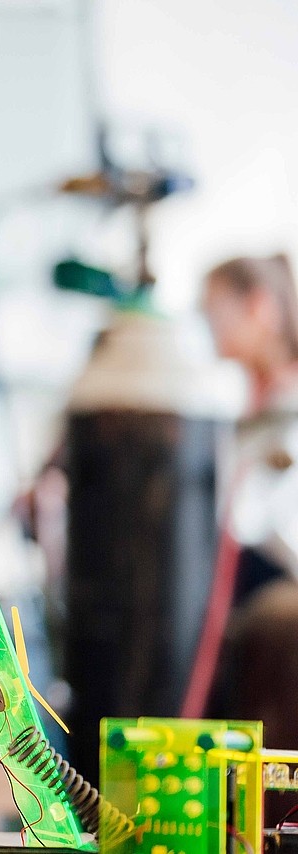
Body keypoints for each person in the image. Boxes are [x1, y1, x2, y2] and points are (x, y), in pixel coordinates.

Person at [199, 253, 298, 747]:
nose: (206, 323)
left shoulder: (287, 412)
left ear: (259, 307)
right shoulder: (238, 409)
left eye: (216, 309)